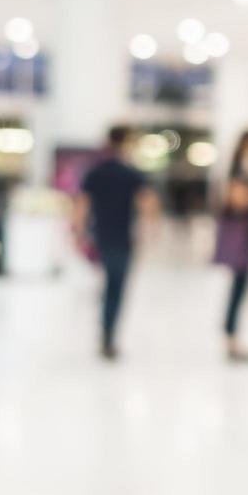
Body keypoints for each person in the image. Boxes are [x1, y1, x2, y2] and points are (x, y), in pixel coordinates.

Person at [76, 126, 157, 361]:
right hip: (122, 237)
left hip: (102, 236)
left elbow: (82, 204)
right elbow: (147, 203)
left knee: (109, 283)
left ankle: (106, 330)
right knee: (116, 287)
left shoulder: (97, 171)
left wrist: (79, 232)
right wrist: (150, 230)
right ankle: (109, 334)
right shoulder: (130, 172)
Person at [214, 132, 248, 360]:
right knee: (238, 290)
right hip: (243, 241)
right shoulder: (239, 175)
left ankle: (237, 337)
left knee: (244, 290)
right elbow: (238, 202)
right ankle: (231, 338)